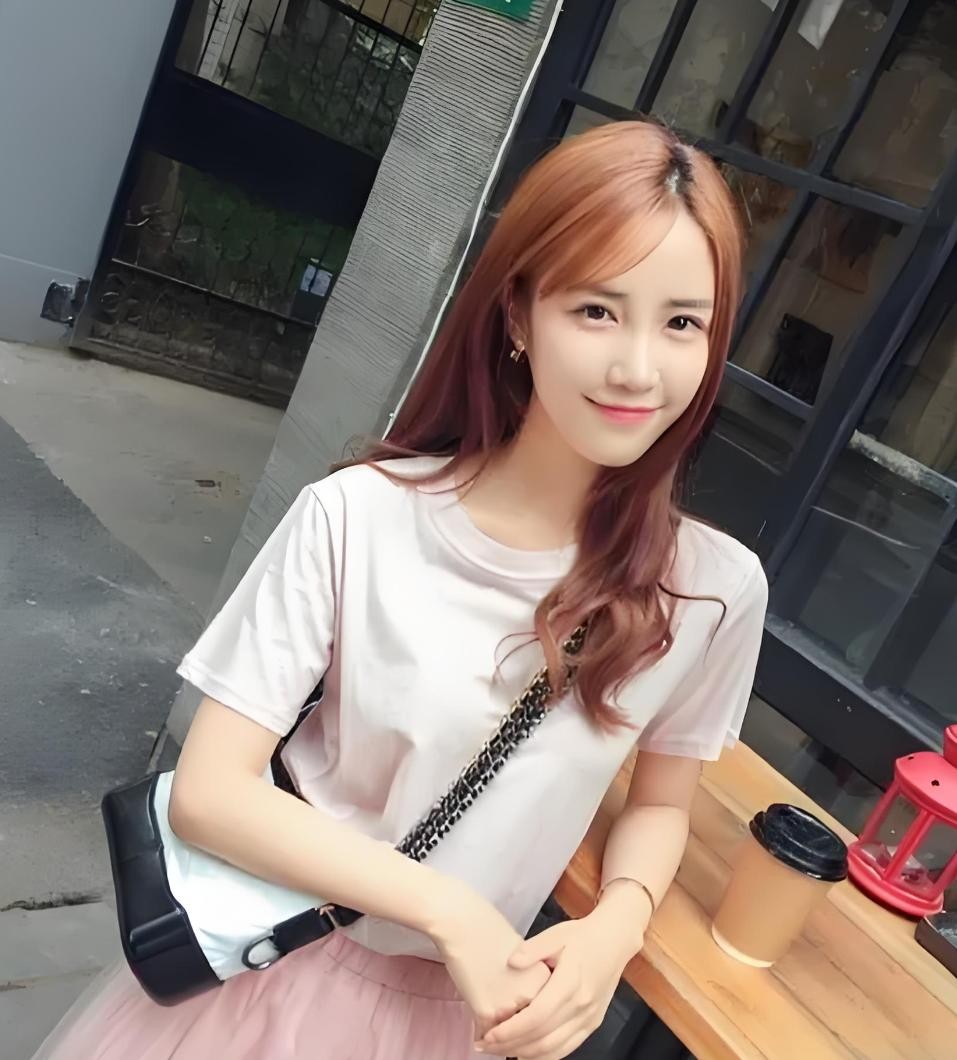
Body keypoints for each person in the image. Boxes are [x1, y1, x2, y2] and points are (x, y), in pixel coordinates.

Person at [34, 120, 767, 1060]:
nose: (637, 368)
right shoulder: (360, 517)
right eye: (596, 310)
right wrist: (447, 910)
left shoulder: (710, 590)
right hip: (278, 984)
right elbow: (210, 792)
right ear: (518, 316)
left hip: (469, 1022)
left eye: (681, 323)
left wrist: (612, 931)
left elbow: (662, 802)